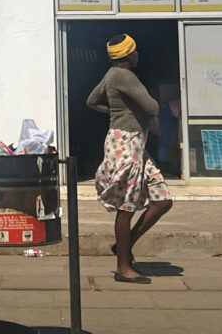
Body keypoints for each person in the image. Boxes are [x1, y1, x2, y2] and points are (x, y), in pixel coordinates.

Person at [87, 34, 173, 284]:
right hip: (125, 144)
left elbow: (92, 101)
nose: (138, 55)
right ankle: (123, 267)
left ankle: (123, 246)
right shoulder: (124, 76)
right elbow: (152, 107)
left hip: (134, 142)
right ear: (127, 55)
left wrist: (117, 110)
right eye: (135, 51)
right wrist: (126, 112)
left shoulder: (110, 74)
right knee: (126, 206)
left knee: (162, 200)